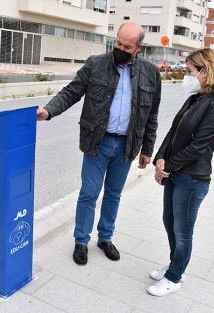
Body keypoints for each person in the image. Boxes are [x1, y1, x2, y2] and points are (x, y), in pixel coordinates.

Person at [37, 22, 162, 266]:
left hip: (126, 145)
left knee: (114, 194)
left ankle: (105, 238)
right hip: (98, 141)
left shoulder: (150, 72)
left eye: (127, 46)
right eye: (118, 43)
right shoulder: (96, 63)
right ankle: (81, 240)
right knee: (89, 194)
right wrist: (49, 111)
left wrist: (147, 149)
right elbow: (71, 92)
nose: (120, 49)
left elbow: (152, 115)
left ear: (139, 48)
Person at [148, 48, 214, 296]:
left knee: (182, 232)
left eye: (189, 71)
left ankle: (174, 278)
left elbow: (198, 147)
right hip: (175, 172)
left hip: (193, 177)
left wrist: (167, 167)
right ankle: (177, 266)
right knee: (169, 221)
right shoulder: (195, 98)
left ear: (205, 72)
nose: (186, 75)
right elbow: (173, 132)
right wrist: (160, 160)